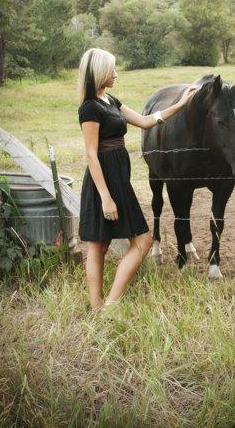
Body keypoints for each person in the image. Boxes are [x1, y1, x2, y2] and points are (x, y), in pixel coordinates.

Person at [77, 47, 197, 311]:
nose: (116, 74)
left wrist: (179, 104)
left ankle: (109, 304)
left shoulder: (110, 100)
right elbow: (90, 154)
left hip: (120, 178)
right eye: (112, 69)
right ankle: (100, 308)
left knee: (138, 242)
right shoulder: (89, 108)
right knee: (99, 245)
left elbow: (144, 122)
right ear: (99, 72)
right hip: (103, 182)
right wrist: (106, 197)